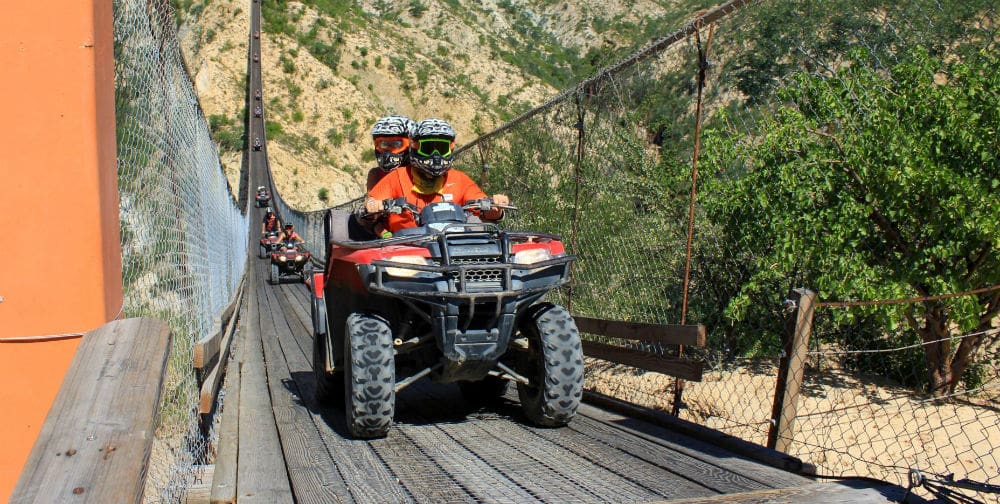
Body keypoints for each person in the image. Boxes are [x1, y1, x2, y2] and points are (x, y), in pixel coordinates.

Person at [365, 118, 508, 235]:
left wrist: (495, 207)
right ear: (414, 147)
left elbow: (484, 208)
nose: (436, 156)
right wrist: (373, 207)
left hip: (452, 246)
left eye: (441, 149)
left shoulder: (459, 179)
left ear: (450, 149)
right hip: (406, 248)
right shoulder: (397, 177)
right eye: (428, 149)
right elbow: (372, 203)